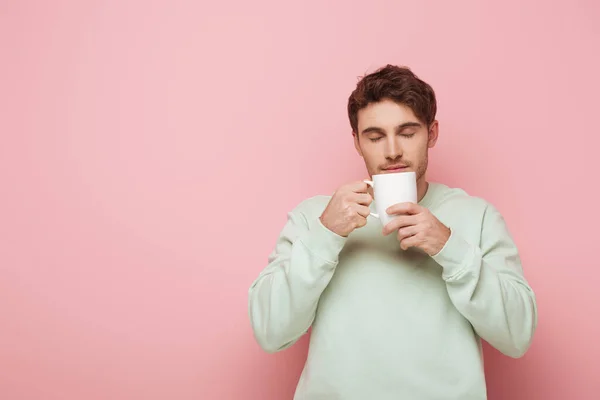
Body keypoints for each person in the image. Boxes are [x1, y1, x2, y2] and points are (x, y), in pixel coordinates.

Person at [247, 64, 537, 400]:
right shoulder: (314, 217)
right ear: (357, 142)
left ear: (432, 133)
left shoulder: (478, 216)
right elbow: (270, 331)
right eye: (375, 136)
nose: (392, 150)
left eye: (408, 132)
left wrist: (449, 247)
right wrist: (325, 234)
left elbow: (518, 337)